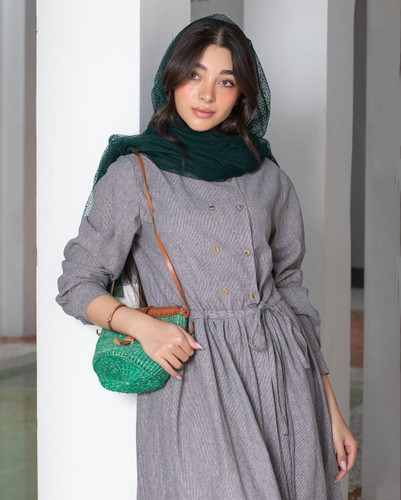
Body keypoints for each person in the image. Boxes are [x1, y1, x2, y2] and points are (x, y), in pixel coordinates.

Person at [56, 14, 357, 500]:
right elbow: (76, 283)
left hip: (285, 374)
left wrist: (332, 411)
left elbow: (292, 292)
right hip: (196, 378)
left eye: (226, 81)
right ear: (171, 78)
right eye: (194, 75)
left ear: (243, 96)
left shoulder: (268, 176)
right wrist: (142, 326)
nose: (206, 94)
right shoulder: (135, 172)